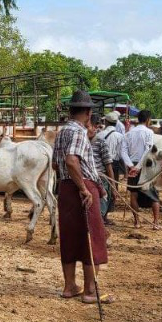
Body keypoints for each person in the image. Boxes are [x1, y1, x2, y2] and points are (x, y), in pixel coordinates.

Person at [52, 90, 112, 305]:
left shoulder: (61, 133)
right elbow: (71, 160)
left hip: (66, 187)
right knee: (92, 236)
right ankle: (89, 290)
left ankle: (70, 286)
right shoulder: (78, 133)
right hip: (81, 187)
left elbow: (55, 164)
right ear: (87, 112)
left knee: (70, 237)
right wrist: (84, 189)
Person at [122, 109, 160, 230]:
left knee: (134, 194)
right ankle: (155, 223)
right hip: (145, 165)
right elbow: (148, 151)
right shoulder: (149, 132)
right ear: (148, 120)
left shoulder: (128, 133)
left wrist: (131, 166)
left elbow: (123, 151)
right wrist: (138, 167)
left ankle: (137, 222)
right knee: (153, 194)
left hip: (133, 165)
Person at [86, 120, 116, 226]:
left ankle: (100, 220)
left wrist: (112, 186)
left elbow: (108, 164)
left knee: (102, 202)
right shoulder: (81, 143)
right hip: (85, 177)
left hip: (100, 176)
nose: (91, 129)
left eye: (90, 127)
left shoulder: (101, 142)